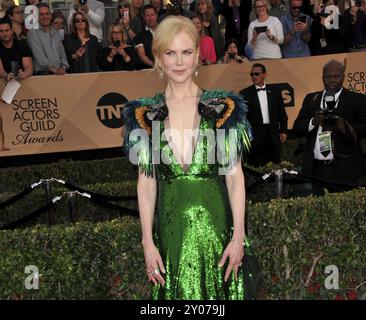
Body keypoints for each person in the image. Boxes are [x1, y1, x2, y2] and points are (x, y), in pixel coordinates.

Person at [122, 15, 258, 299]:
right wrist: (147, 242)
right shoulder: (144, 116)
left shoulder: (224, 110)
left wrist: (238, 238)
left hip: (220, 238)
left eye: (186, 52)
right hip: (172, 238)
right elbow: (146, 184)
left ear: (198, 56)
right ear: (158, 58)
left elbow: (235, 178)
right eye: (170, 53)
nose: (179, 61)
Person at [293, 60, 366, 195]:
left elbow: (364, 126)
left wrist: (345, 127)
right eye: (328, 76)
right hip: (317, 170)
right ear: (322, 78)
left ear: (343, 77)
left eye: (336, 76)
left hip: (346, 169)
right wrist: (313, 122)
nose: (332, 80)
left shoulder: (357, 99)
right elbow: (297, 127)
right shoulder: (311, 99)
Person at [239, 63, 288, 166]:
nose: (254, 77)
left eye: (257, 74)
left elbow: (282, 113)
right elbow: (243, 118)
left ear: (265, 75)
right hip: (256, 138)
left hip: (273, 135)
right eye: (251, 74)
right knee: (257, 167)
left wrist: (283, 130)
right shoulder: (245, 93)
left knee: (275, 166)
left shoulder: (275, 92)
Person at [27, 3, 69, 75]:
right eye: (41, 14)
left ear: (51, 15)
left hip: (60, 73)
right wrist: (56, 70)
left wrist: (64, 67)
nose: (45, 17)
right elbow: (40, 57)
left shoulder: (55, 32)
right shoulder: (32, 33)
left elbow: (62, 53)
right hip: (44, 74)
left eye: (47, 13)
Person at [134, 4, 158, 69]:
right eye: (147, 15)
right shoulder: (139, 35)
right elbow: (142, 55)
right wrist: (154, 65)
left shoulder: (164, 31)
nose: (150, 18)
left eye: (152, 15)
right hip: (148, 69)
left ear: (156, 15)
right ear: (144, 17)